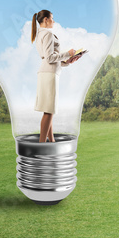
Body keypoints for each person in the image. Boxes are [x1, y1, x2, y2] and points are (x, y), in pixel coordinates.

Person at [31, 10, 82, 142]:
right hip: (49, 74)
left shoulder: (40, 35)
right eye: (52, 18)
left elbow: (50, 59)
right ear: (46, 20)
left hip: (46, 72)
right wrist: (68, 53)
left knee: (49, 109)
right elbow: (49, 58)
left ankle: (51, 140)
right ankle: (42, 144)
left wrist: (68, 61)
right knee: (49, 111)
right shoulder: (47, 34)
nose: (53, 21)